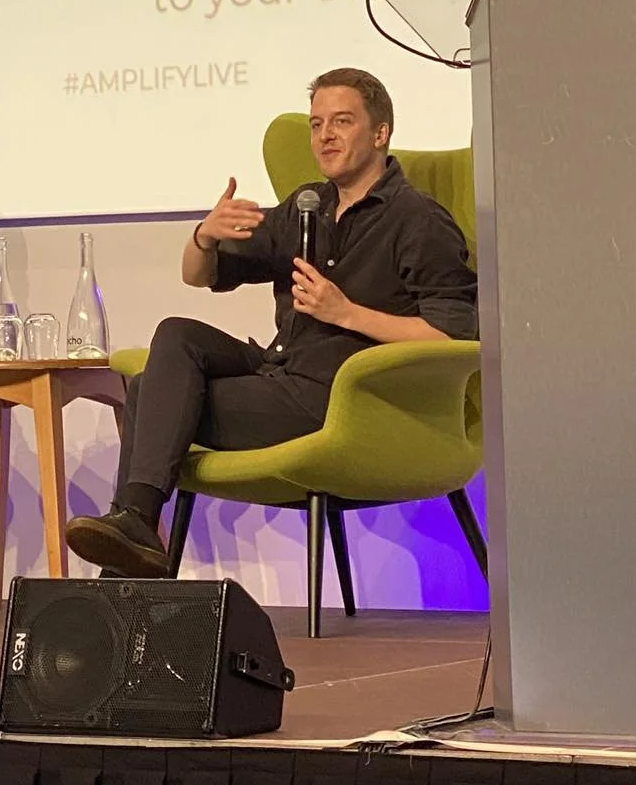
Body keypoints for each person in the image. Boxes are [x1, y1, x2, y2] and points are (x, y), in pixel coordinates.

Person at [64, 68, 477, 579]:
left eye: (341, 121)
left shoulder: (418, 220)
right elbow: (199, 275)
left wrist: (345, 313)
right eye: (316, 123)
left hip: (342, 397)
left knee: (151, 392)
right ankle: (138, 529)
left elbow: (455, 334)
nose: (325, 136)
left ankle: (134, 550)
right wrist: (204, 237)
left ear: (380, 133)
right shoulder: (307, 206)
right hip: (279, 370)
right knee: (177, 333)